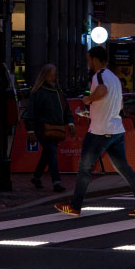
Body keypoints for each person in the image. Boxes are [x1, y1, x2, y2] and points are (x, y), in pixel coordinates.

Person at [55, 46, 135, 217]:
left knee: (85, 168)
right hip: (116, 129)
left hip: (100, 131)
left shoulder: (99, 76)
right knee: (123, 167)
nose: (88, 63)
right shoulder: (114, 78)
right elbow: (119, 105)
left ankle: (75, 206)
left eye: (88, 59)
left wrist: (88, 99)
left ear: (95, 59)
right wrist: (92, 112)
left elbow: (102, 91)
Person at [23, 64, 76, 193]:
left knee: (47, 154)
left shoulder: (58, 91)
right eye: (51, 75)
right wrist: (31, 129)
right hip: (42, 128)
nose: (53, 77)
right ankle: (56, 182)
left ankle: (36, 176)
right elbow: (31, 111)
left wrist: (70, 122)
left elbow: (66, 108)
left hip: (56, 127)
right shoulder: (38, 92)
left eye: (54, 75)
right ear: (45, 76)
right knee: (51, 152)